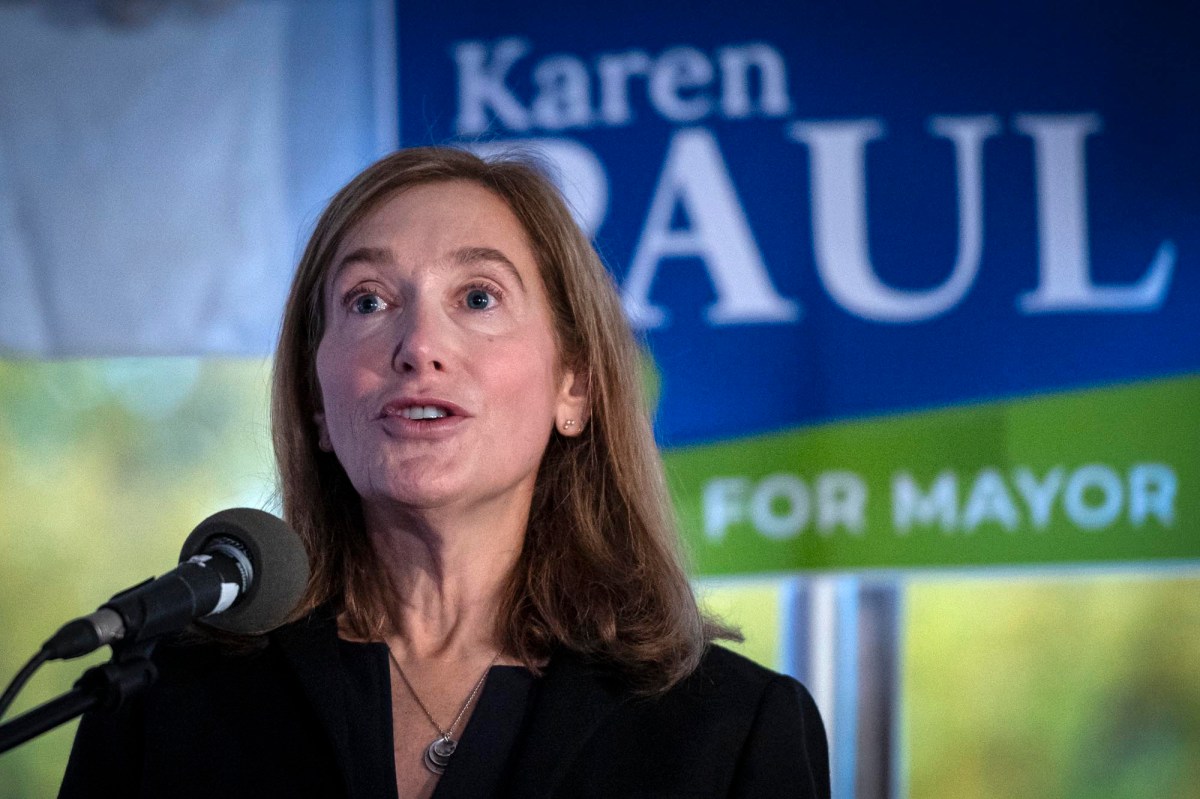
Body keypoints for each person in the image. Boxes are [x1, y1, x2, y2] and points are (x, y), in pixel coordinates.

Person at [60, 147, 829, 798]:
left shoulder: (732, 730)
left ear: (575, 386)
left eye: (478, 296)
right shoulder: (161, 697)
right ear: (316, 402)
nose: (419, 344)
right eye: (367, 300)